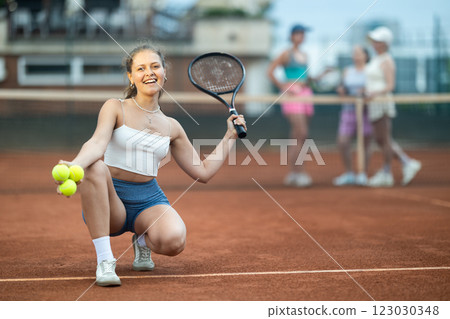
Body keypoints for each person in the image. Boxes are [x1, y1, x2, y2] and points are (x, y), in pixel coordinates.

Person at [54, 44, 246, 286]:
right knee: (94, 166)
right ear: (131, 77)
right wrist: (74, 167)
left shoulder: (172, 126)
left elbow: (203, 172)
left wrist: (229, 137)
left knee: (174, 241)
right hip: (110, 200)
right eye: (141, 68)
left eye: (155, 66)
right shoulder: (115, 107)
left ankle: (141, 240)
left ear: (165, 72)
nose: (149, 72)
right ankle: (105, 261)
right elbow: (96, 143)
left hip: (148, 200)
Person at [365, 26, 421, 187]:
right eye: (374, 41)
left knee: (385, 138)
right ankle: (406, 162)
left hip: (382, 103)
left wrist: (374, 94)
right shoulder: (376, 59)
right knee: (380, 138)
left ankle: (387, 172)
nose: (374, 44)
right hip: (374, 103)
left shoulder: (387, 60)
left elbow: (390, 85)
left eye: (377, 41)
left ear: (384, 43)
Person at [267, 24, 314, 188]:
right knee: (301, 133)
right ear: (292, 35)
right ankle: (297, 173)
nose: (301, 37)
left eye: (303, 34)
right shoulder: (285, 54)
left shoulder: (305, 55)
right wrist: (284, 87)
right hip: (292, 96)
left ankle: (296, 173)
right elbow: (270, 71)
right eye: (299, 34)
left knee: (299, 136)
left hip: (306, 95)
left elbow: (306, 78)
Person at [333, 45, 372, 186]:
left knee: (366, 142)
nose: (355, 56)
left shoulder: (370, 70)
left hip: (366, 111)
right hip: (348, 110)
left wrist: (366, 91)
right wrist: (341, 90)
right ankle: (349, 173)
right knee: (343, 141)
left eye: (358, 53)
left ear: (366, 56)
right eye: (354, 53)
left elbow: (373, 87)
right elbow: (342, 86)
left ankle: (363, 173)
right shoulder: (347, 70)